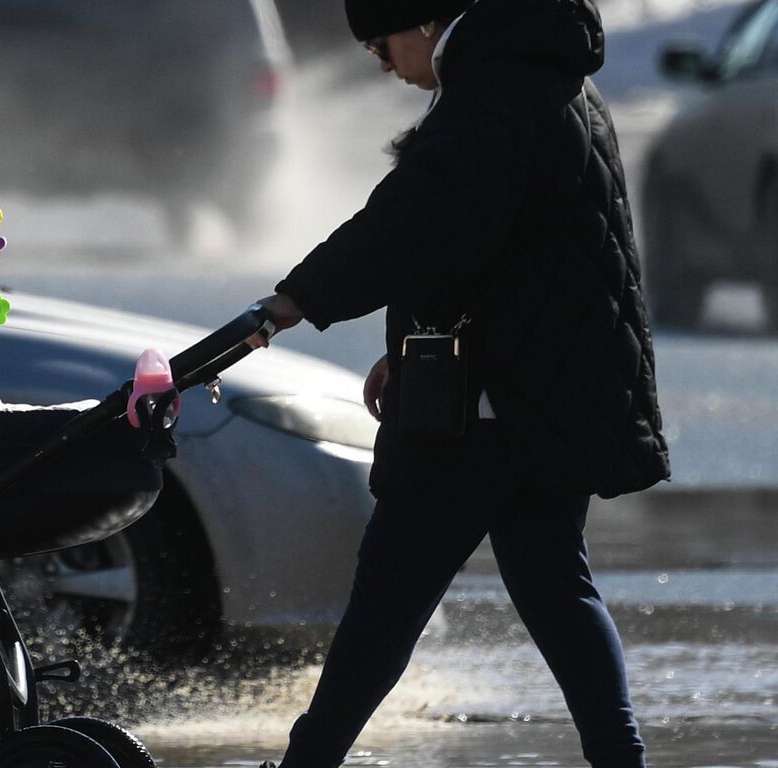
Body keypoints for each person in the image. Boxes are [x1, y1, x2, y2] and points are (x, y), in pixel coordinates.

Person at [251, 1, 670, 767]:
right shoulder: (544, 77)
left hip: (486, 409)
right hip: (547, 390)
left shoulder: (491, 94)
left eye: (380, 42)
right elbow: (497, 243)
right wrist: (411, 344)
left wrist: (297, 298)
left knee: (388, 600)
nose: (382, 62)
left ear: (420, 21)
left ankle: (305, 765)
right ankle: (623, 760)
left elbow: (411, 224)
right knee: (554, 586)